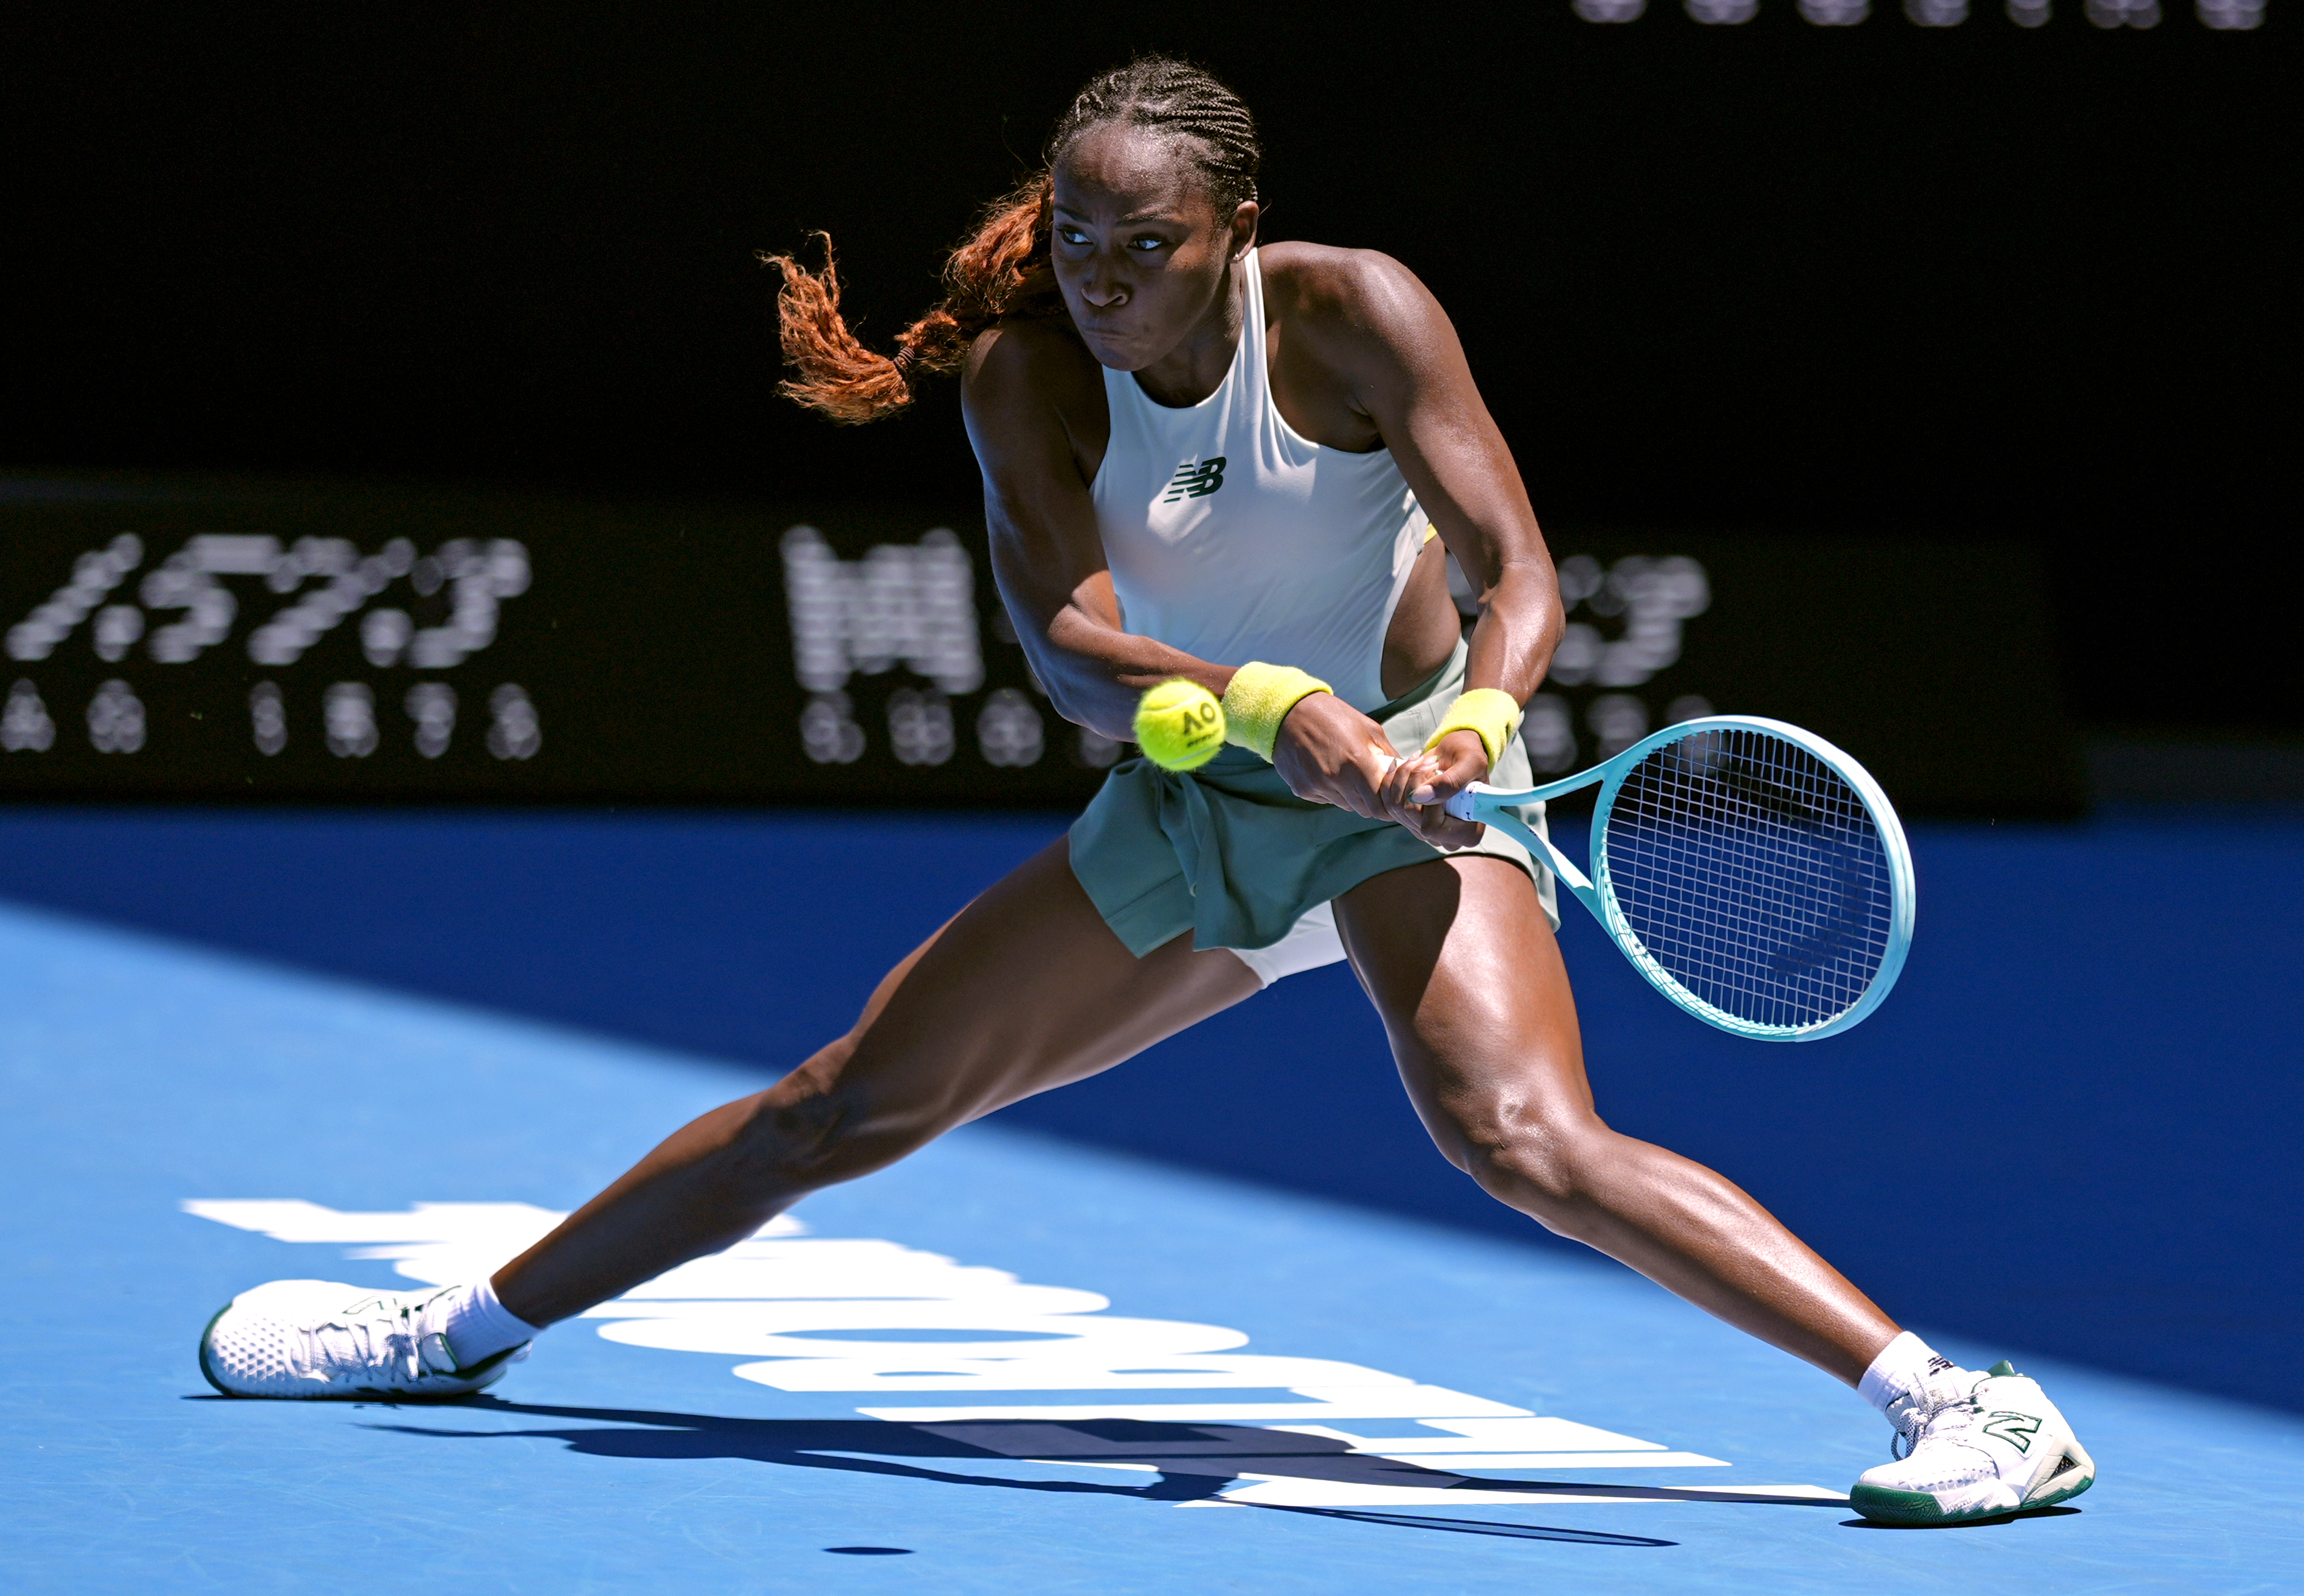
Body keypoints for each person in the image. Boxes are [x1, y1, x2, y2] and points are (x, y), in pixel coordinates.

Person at [197, 56, 2091, 1528]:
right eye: (1080, 241)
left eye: (1149, 248)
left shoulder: (1352, 313)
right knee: (838, 1110)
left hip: (1405, 796)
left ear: (1235, 227)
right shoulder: (1026, 380)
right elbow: (1063, 642)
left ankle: (1958, 1405)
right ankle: (445, 1339)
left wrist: (1453, 738)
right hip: (1205, 809)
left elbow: (1520, 576)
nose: (1105, 282)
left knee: (1516, 1137)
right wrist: (1276, 710)